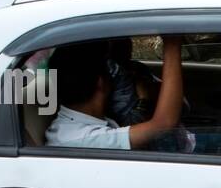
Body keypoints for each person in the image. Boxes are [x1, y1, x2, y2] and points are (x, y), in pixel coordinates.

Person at [44, 36, 184, 150]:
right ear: (101, 82)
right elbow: (164, 124)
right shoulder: (84, 139)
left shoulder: (75, 124)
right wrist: (172, 44)